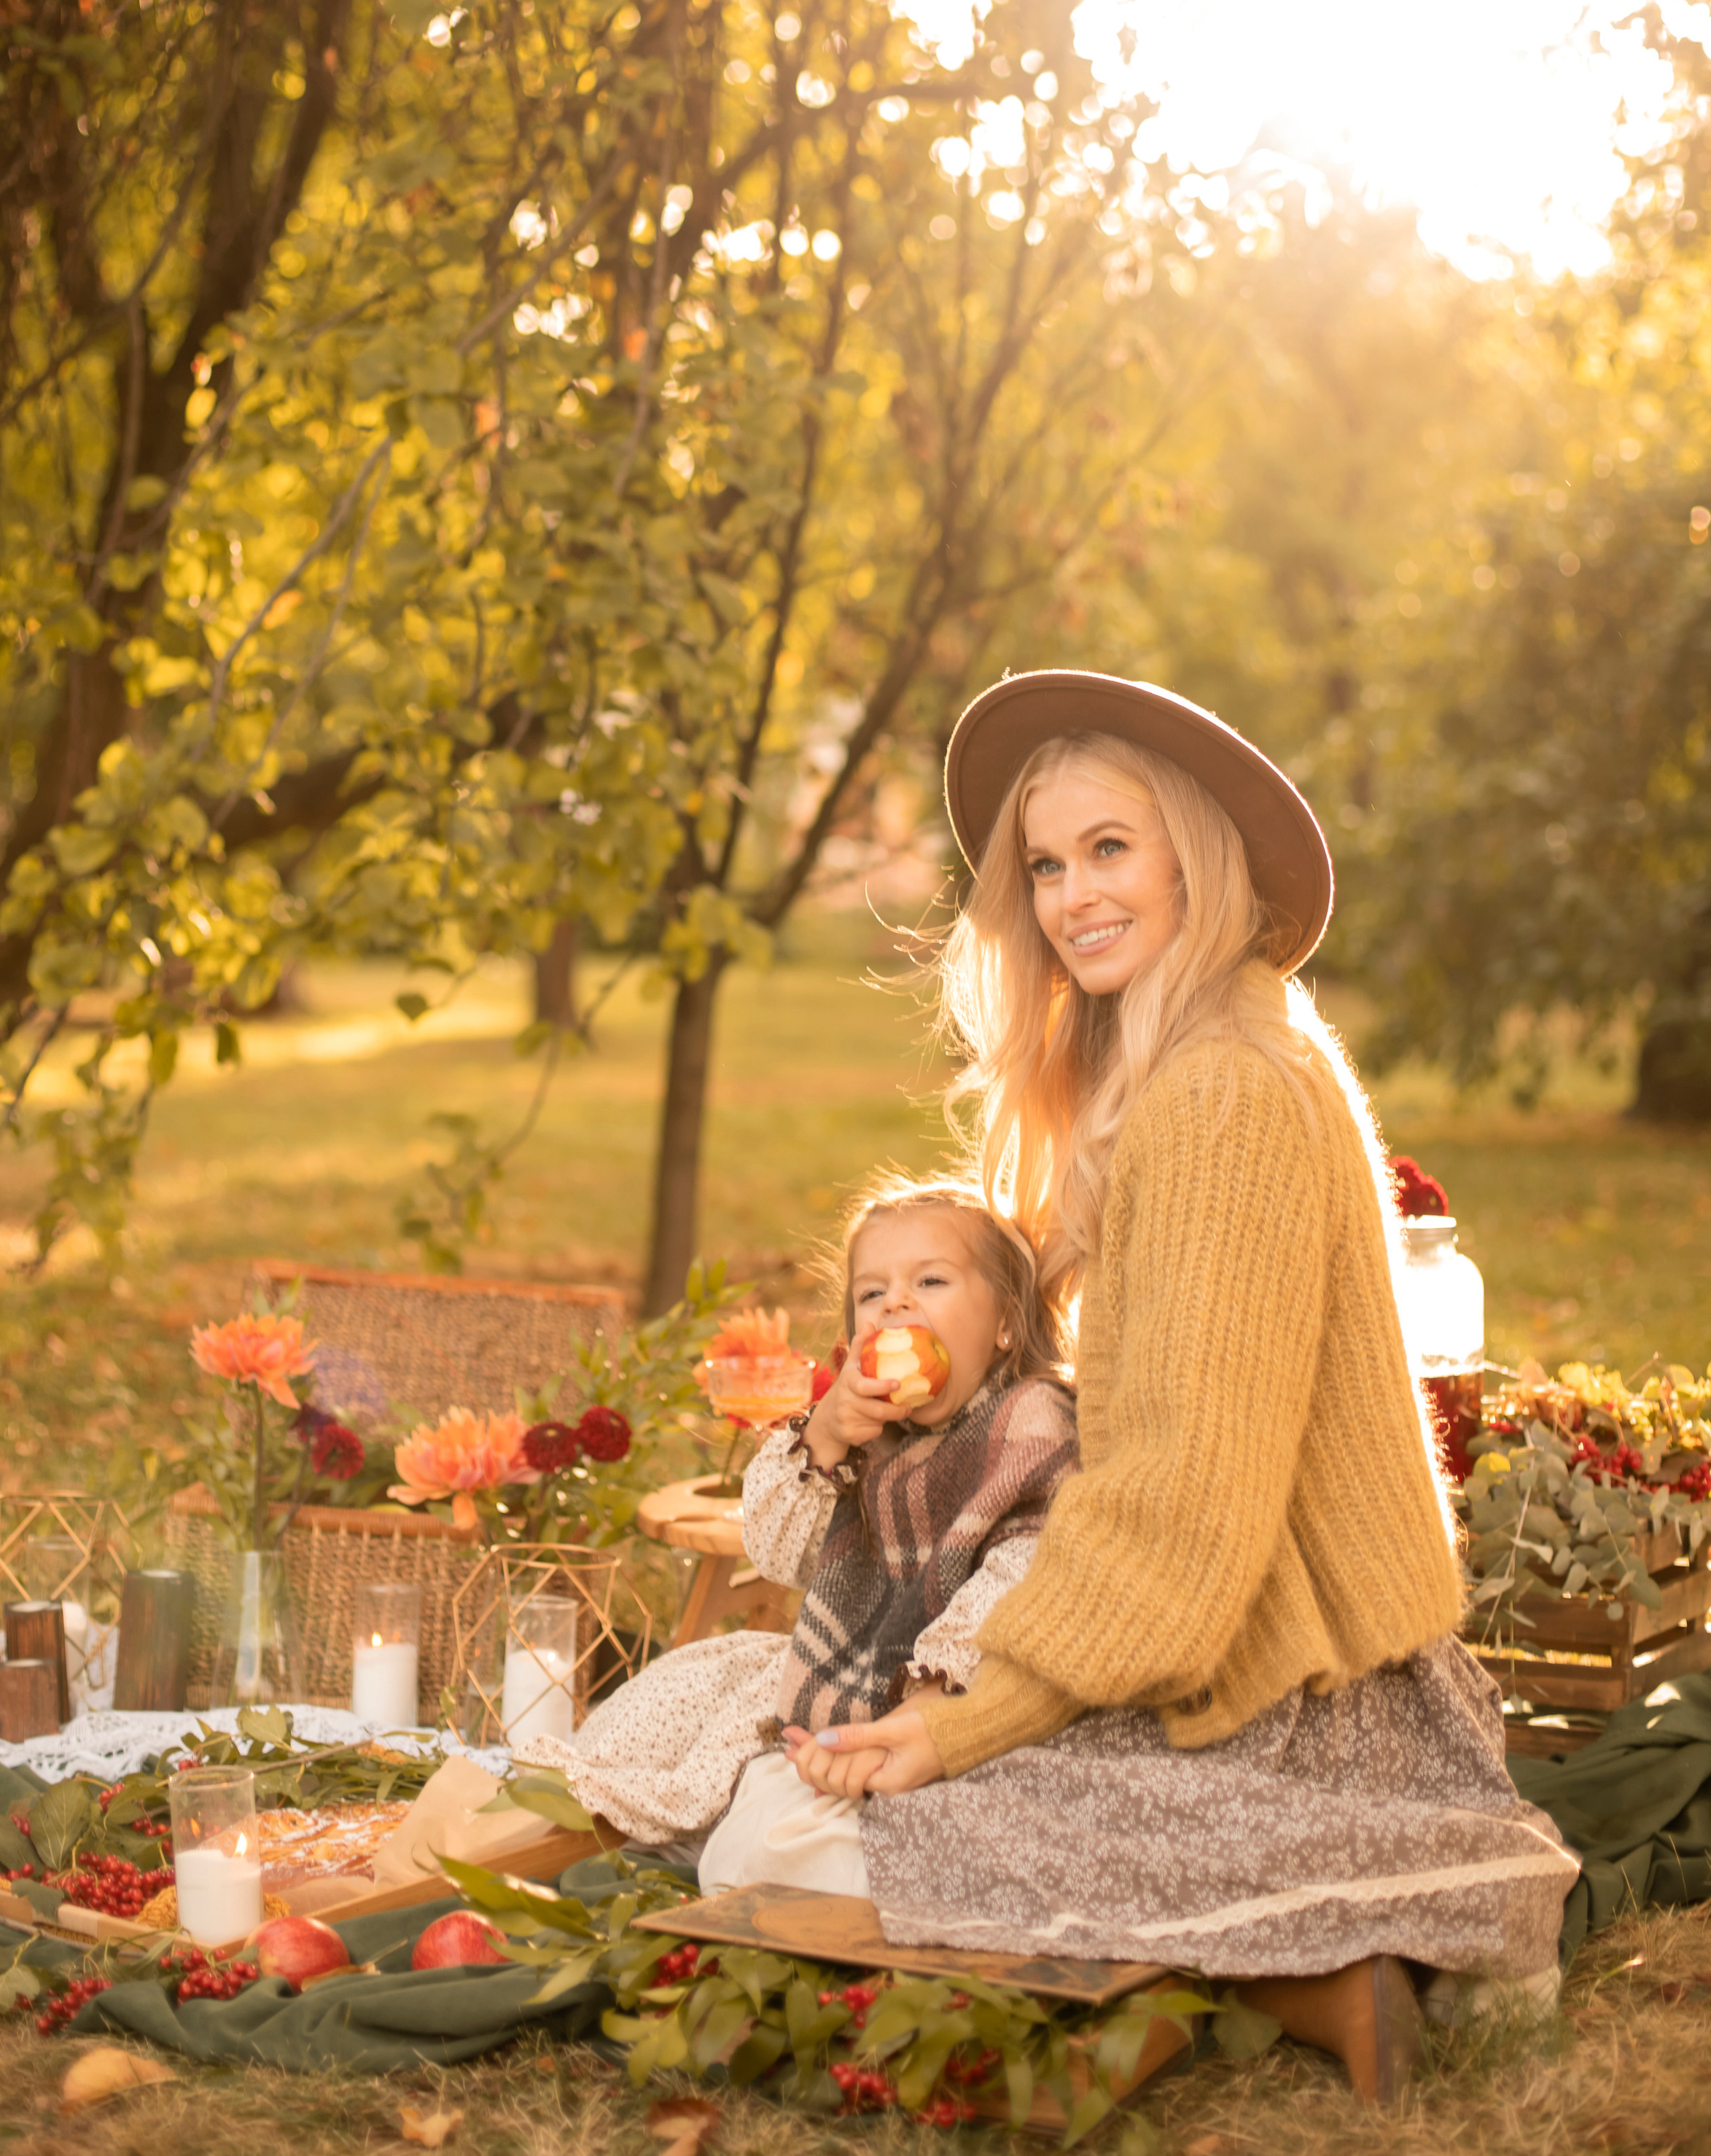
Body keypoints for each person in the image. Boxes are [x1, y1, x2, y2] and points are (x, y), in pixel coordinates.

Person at [781, 670, 1578, 2100]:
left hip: (1299, 1700)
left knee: (814, 1819)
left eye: (1109, 849)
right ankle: (1256, 1964)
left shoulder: (1215, 1098)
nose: (1072, 894)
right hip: (1264, 1641)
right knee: (828, 1752)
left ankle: (1315, 1953)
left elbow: (1181, 1507)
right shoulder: (1213, 1052)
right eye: (1042, 862)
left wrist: (968, 1718)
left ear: (1189, 861)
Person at [512, 1181, 1077, 1894]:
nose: (897, 1305)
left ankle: (752, 1847)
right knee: (663, 1705)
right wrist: (825, 1437)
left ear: (1005, 1322)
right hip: (853, 1664)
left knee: (791, 1834)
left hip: (969, 1693)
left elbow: (1026, 1573)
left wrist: (935, 1693)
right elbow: (780, 1552)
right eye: (873, 1294)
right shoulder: (867, 1431)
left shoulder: (1029, 1419)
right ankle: (621, 1814)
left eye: (930, 1281)